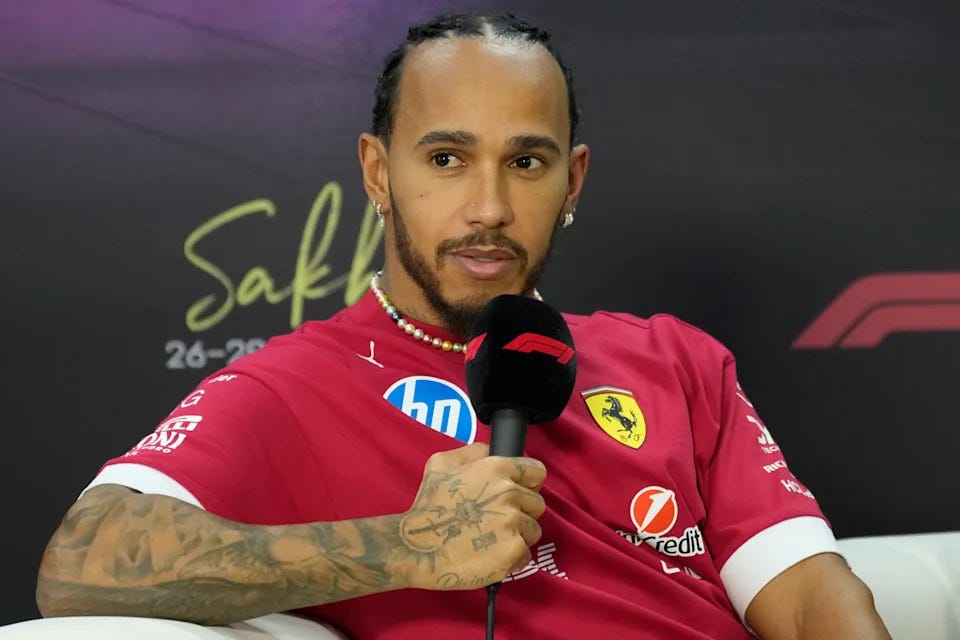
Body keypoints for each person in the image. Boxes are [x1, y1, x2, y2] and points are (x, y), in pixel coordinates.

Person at [36, 12, 890, 639]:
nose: (488, 208)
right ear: (378, 172)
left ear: (573, 182)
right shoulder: (293, 385)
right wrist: (407, 547)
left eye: (526, 162)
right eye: (446, 159)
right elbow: (81, 562)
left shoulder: (676, 359)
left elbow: (814, 598)